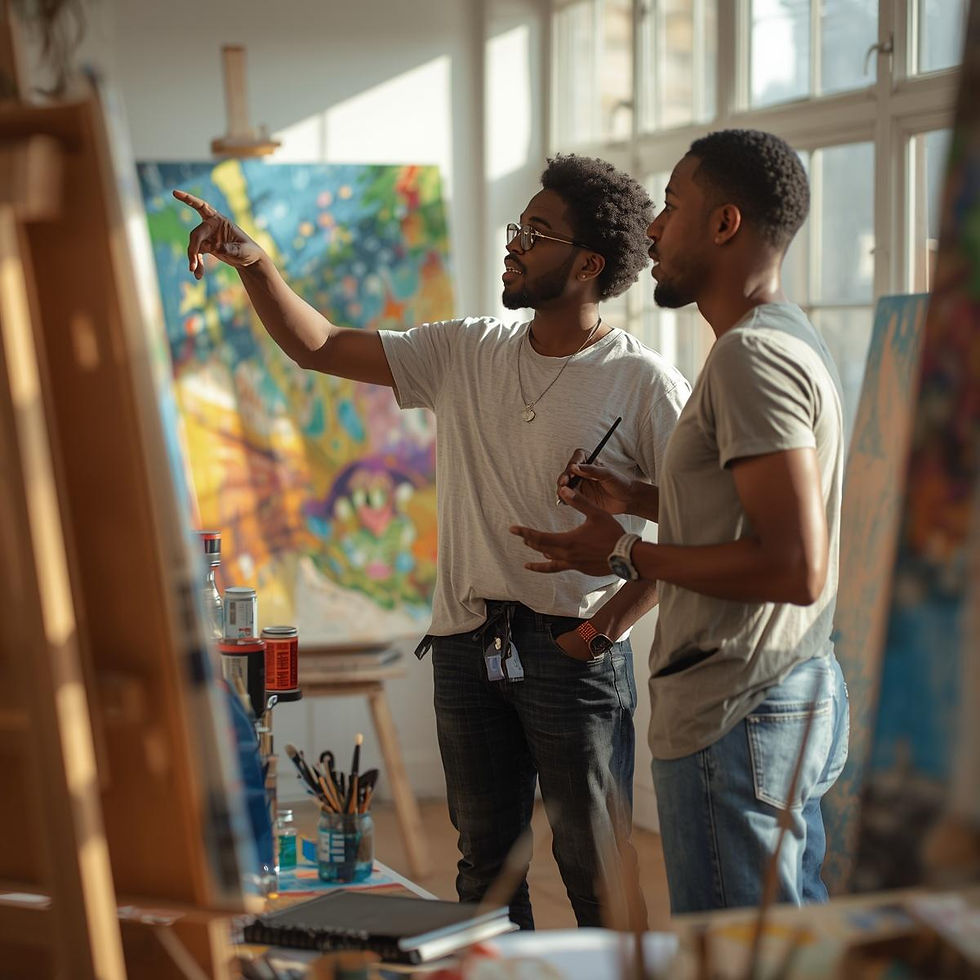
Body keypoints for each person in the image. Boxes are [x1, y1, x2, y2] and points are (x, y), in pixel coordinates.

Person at [174, 155, 690, 929]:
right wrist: (255, 264)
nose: (513, 244)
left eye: (536, 233)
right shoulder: (467, 349)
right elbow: (317, 345)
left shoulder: (642, 382)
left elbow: (697, 526)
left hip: (571, 648)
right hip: (464, 644)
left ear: (589, 264)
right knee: (483, 869)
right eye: (518, 226)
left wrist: (603, 627)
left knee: (596, 870)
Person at [511, 129, 849, 913]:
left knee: (734, 961)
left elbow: (795, 567)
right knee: (782, 951)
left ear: (725, 224)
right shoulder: (787, 337)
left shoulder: (748, 358)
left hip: (739, 703)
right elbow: (747, 514)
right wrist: (634, 498)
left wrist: (629, 551)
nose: (654, 228)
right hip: (784, 692)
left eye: (671, 205)